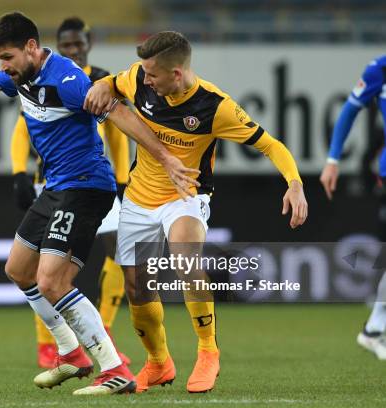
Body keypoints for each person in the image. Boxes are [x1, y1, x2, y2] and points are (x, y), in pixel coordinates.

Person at [0, 13, 199, 395]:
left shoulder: (66, 80)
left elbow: (119, 113)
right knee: (18, 270)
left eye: (7, 57)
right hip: (56, 187)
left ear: (32, 48)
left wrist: (166, 159)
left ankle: (113, 369)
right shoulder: (21, 75)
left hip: (86, 187)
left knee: (52, 280)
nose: (2, 66)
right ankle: (71, 354)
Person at [85, 31, 308, 393]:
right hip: (139, 197)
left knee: (187, 255)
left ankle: (207, 351)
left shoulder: (215, 106)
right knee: (137, 287)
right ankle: (158, 362)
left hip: (186, 195)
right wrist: (104, 85)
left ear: (176, 74)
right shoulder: (139, 77)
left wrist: (295, 183)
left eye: (154, 75)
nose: (147, 79)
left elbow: (270, 144)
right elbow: (113, 83)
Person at [10, 16, 130, 369]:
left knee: (118, 252)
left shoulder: (96, 82)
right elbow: (21, 129)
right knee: (32, 270)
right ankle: (50, 344)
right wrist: (18, 172)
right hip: (51, 181)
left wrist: (124, 179)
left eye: (78, 44)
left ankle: (101, 330)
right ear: (56, 47)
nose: (73, 50)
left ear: (88, 44)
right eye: (67, 46)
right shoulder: (36, 76)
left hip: (88, 179)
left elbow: (118, 133)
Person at [320, 55, 386, 360]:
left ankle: (374, 328)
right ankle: (374, 328)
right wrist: (333, 159)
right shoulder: (380, 69)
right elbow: (350, 110)